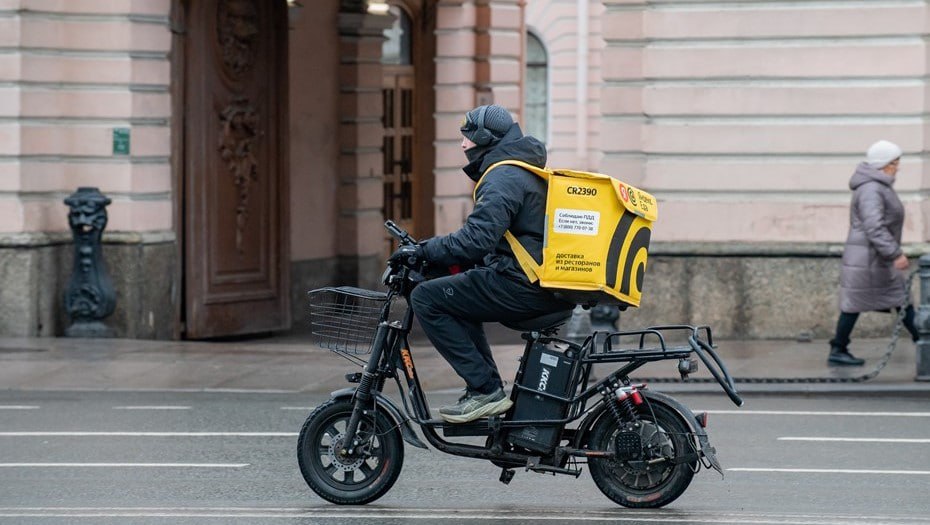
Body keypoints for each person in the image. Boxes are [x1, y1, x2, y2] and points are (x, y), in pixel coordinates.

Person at [389, 104, 574, 423]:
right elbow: (487, 243)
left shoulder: (502, 176)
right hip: (532, 282)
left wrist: (423, 251)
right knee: (457, 293)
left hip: (523, 285)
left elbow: (476, 239)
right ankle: (484, 389)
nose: (463, 145)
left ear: (486, 138)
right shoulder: (518, 169)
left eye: (468, 137)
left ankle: (485, 389)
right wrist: (435, 256)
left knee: (426, 298)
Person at [828, 140, 920, 366]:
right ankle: (838, 349)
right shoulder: (871, 188)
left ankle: (923, 341)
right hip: (868, 259)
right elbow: (874, 226)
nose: (898, 167)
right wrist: (894, 253)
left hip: (873, 258)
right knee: (856, 305)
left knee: (900, 300)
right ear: (884, 164)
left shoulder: (877, 186)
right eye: (895, 162)